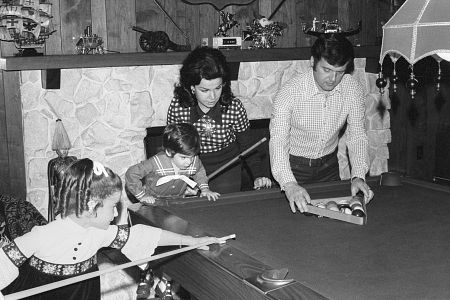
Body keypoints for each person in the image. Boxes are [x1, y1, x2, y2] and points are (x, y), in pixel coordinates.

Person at [0, 158, 220, 300]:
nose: (116, 214)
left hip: (83, 292)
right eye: (113, 207)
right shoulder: (43, 235)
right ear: (90, 206)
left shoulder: (99, 233)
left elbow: (141, 236)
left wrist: (190, 240)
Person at [269, 33, 373, 214]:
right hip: (292, 168)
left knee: (332, 225)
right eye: (326, 70)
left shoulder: (353, 89)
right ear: (312, 62)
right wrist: (289, 184)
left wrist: (358, 176)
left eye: (340, 72)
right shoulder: (289, 93)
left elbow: (357, 135)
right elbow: (278, 140)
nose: (332, 79)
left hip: (328, 168)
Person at [167, 46, 272, 193]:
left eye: (217, 88)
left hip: (227, 167)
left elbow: (247, 146)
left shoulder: (234, 107)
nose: (212, 97)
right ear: (191, 87)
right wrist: (174, 178)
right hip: (188, 167)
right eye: (204, 90)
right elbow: (172, 146)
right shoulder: (178, 107)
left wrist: (259, 176)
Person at [125, 122, 220, 203]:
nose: (189, 162)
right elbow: (132, 173)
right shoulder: (156, 162)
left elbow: (199, 172)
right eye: (183, 157)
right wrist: (142, 196)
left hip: (177, 200)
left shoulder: (194, 160)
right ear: (169, 152)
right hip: (153, 201)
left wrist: (205, 189)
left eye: (192, 156)